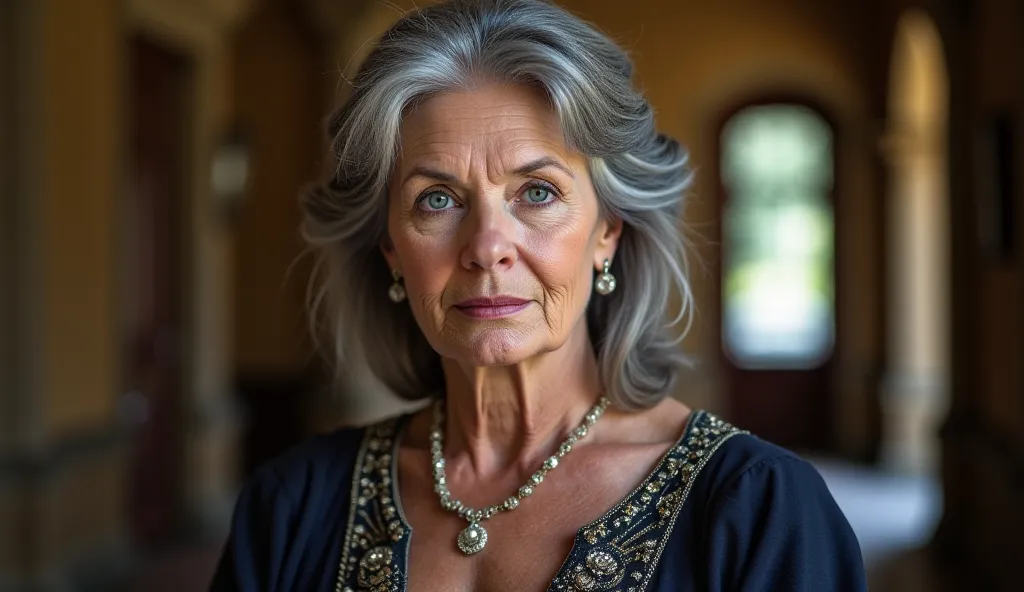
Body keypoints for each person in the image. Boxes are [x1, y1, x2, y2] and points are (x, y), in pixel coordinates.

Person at [209, 0, 866, 590]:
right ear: (390, 249)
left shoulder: (762, 512)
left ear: (608, 231)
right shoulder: (293, 505)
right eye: (437, 199)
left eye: (538, 192)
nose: (487, 244)